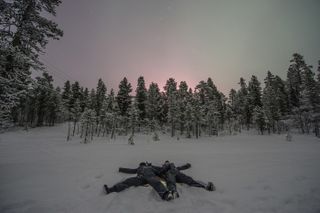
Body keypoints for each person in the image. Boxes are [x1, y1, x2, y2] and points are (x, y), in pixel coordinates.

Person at [103, 162, 173, 201]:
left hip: (150, 177)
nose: (141, 166)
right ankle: (111, 189)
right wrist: (121, 169)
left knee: (156, 182)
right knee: (128, 181)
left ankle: (165, 195)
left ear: (144, 164)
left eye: (142, 165)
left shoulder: (150, 167)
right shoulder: (138, 168)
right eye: (141, 165)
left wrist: (164, 177)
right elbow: (131, 170)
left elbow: (158, 173)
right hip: (140, 178)